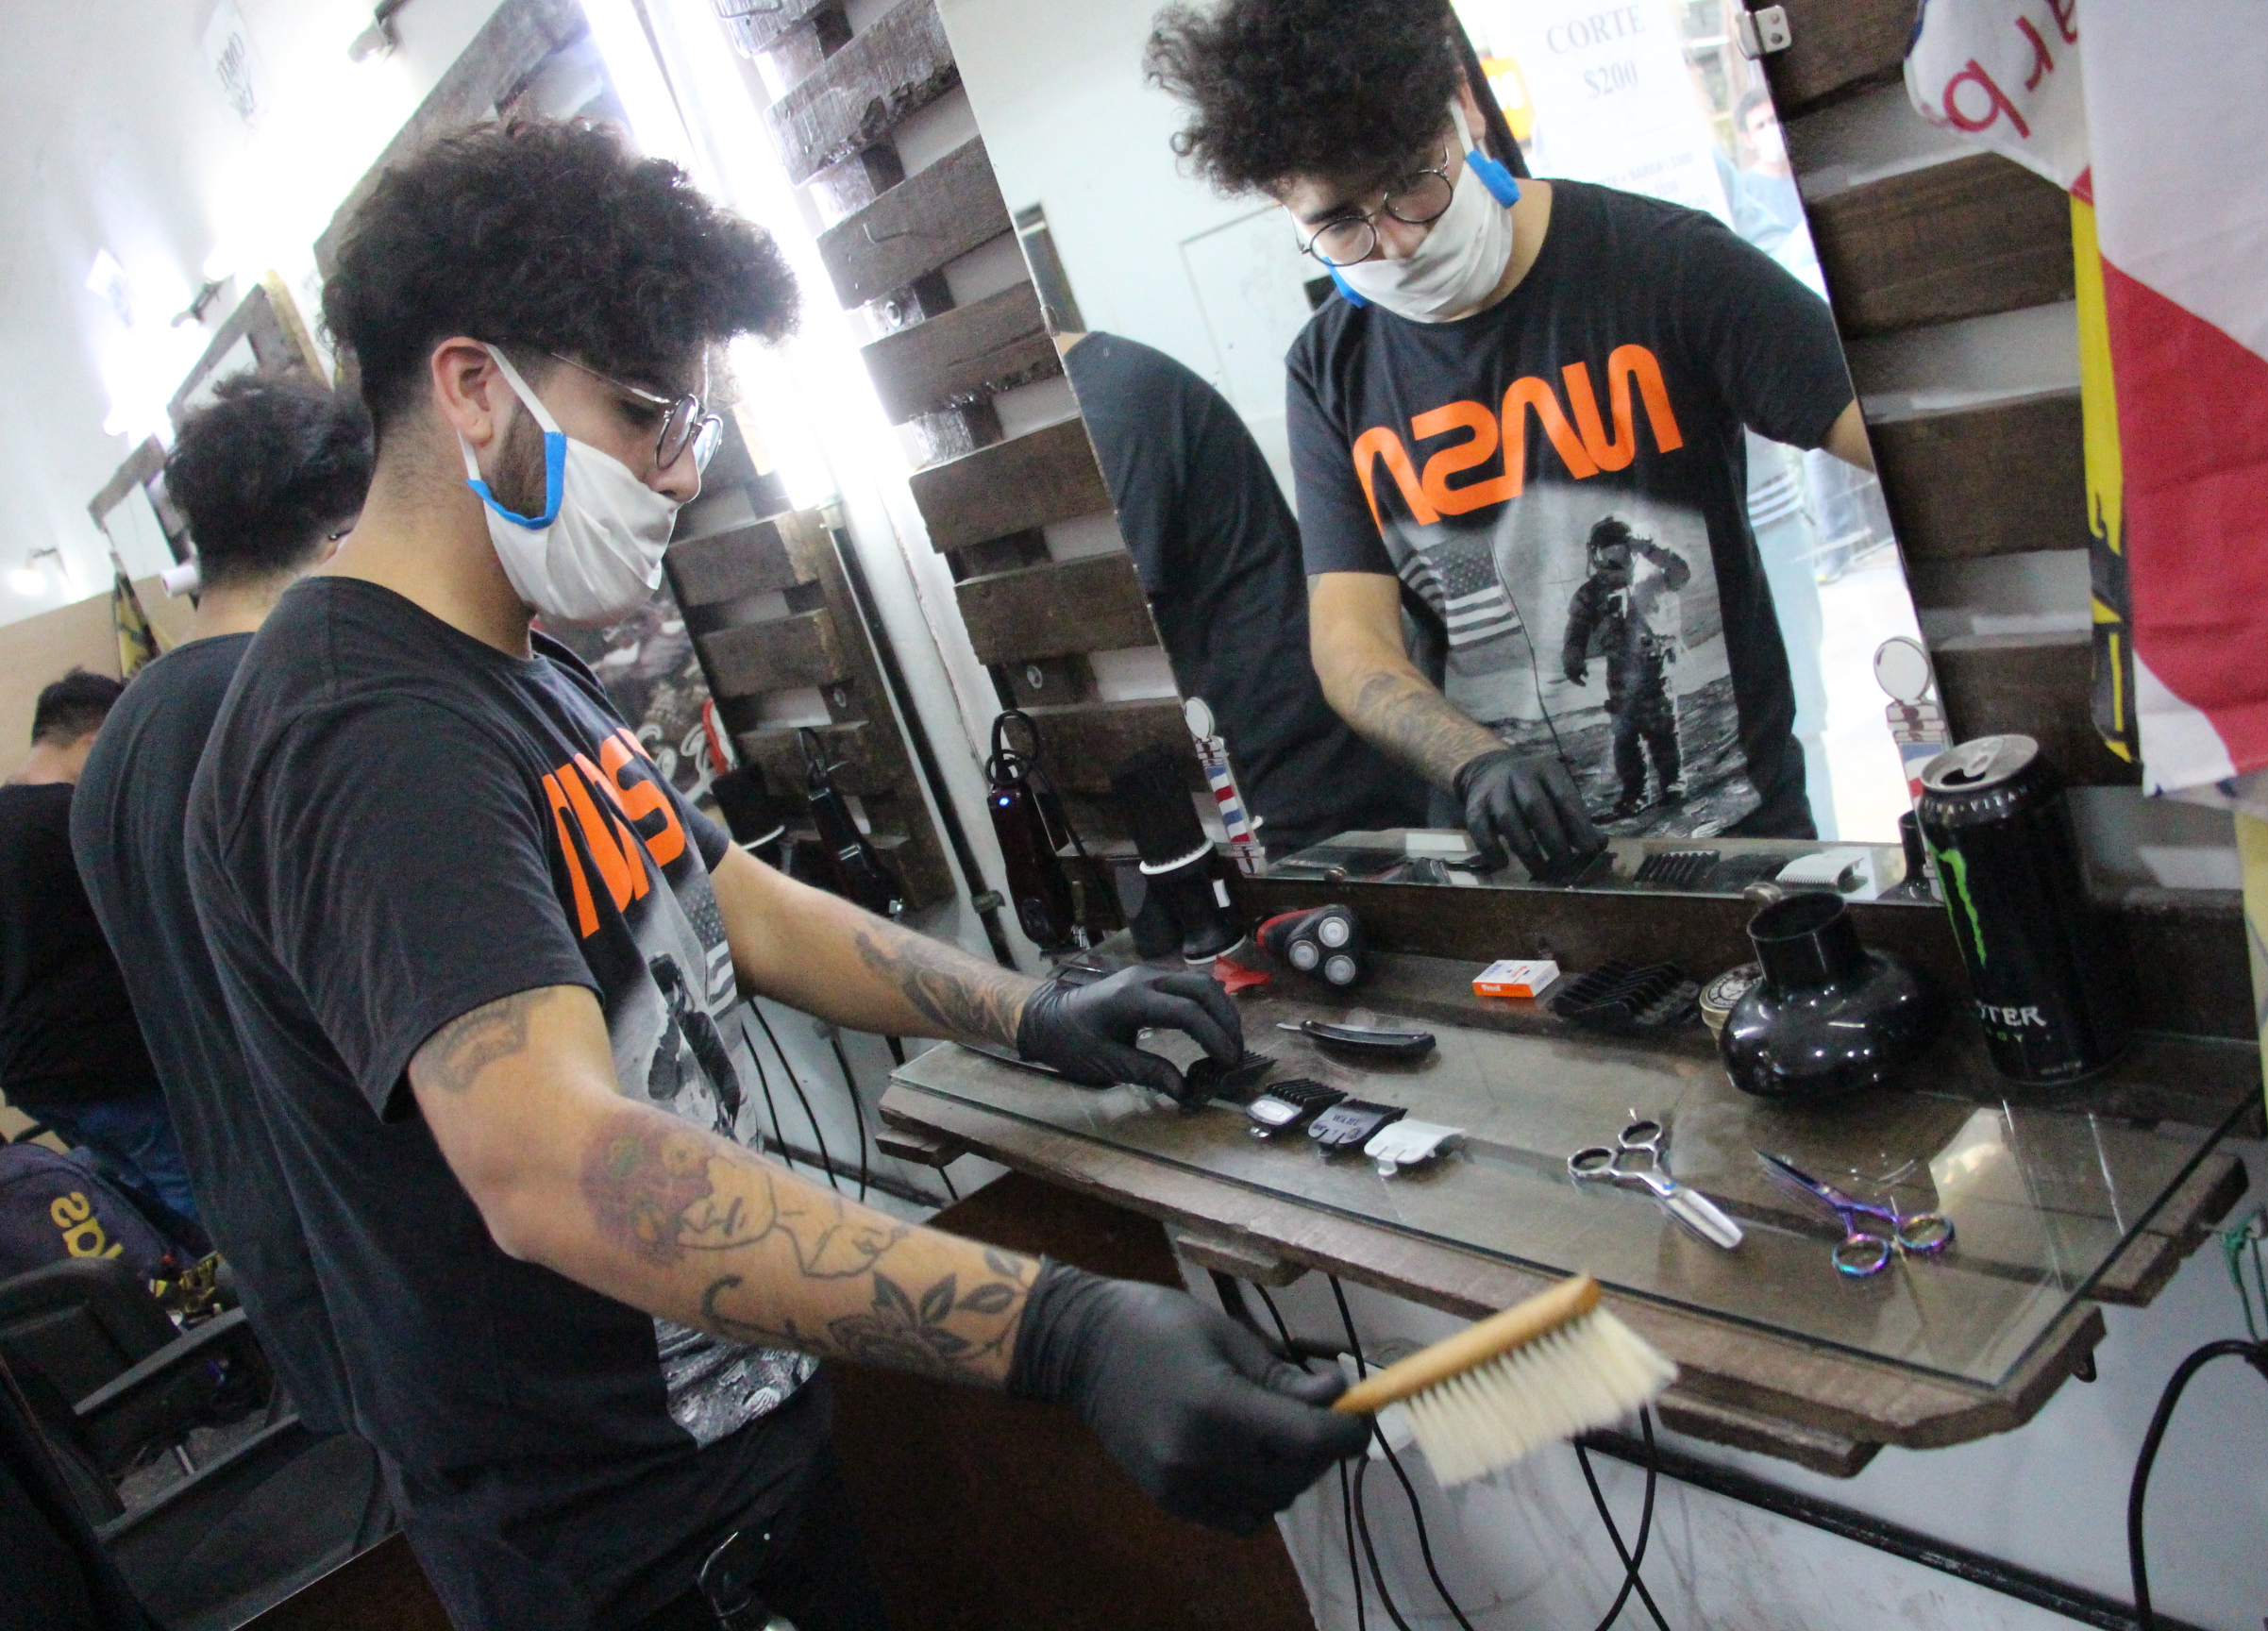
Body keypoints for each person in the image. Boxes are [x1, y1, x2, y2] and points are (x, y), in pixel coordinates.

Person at [180, 121, 1365, 1631]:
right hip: (625, 1559)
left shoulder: (515, 667)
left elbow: (722, 893)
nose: (681, 474)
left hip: (734, 1468)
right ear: (473, 386)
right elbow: (550, 1167)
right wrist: (1058, 1330)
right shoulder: (364, 731)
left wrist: (1028, 1014)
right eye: (646, 416)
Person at [1147, 0, 1876, 876]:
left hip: (1741, 837)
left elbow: (1895, 436)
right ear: (1282, 202)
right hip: (1514, 864)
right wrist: (1476, 761)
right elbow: (1350, 646)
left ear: (1464, 103)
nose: (1398, 243)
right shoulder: (1329, 370)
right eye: (1341, 222)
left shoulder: (1669, 265)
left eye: (1412, 183)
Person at [72, 373, 374, 1432]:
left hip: (268, 1219)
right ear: (343, 522)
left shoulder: (122, 736)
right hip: (362, 1224)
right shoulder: (280, 700)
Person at [1057, 329, 1427, 854]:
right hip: (1267, 746)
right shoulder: (1101, 385)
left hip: (1300, 758)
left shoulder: (1112, 395)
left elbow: (1113, 608)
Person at [0, 671, 200, 1236]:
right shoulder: (78, 818)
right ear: (94, 743)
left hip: (34, 1077)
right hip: (110, 1064)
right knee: (200, 1193)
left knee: (144, 1208)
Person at [1560, 518, 1690, 819]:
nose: (1614, 559)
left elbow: (1681, 573)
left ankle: (1673, 783)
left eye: (1621, 550)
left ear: (1633, 549)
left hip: (1656, 668)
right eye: (1608, 552)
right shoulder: (1592, 592)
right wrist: (1573, 657)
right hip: (1620, 675)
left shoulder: (1652, 578)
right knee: (1625, 736)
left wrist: (1652, 551)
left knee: (1663, 729)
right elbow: (1577, 627)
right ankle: (1635, 793)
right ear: (1596, 553)